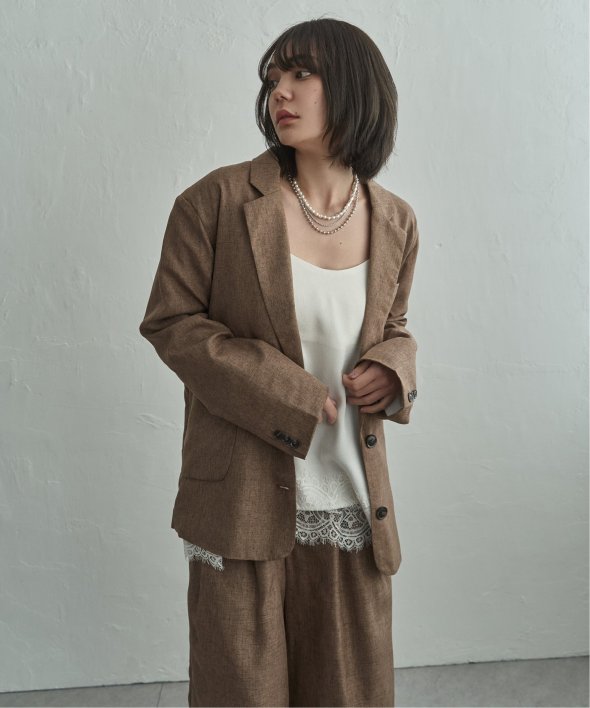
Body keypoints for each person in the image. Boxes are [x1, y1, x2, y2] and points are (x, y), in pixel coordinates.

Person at [139, 16, 420, 708]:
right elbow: (172, 322)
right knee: (243, 693)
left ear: (354, 87)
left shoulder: (395, 221)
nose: (280, 93)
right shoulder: (216, 201)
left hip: (352, 502)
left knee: (350, 694)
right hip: (240, 500)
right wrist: (286, 391)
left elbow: (393, 327)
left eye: (301, 74)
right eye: (272, 79)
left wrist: (394, 370)